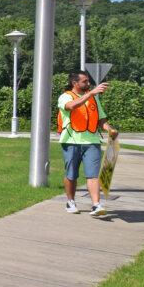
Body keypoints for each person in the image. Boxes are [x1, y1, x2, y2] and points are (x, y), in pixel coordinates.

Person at [58, 70, 118, 217]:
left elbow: (101, 119)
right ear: (75, 83)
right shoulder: (65, 96)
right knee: (71, 175)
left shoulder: (94, 98)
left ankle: (96, 205)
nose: (88, 83)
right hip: (71, 142)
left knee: (92, 175)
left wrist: (109, 129)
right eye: (84, 81)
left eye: (88, 81)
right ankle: (70, 202)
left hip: (92, 142)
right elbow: (71, 106)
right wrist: (91, 94)